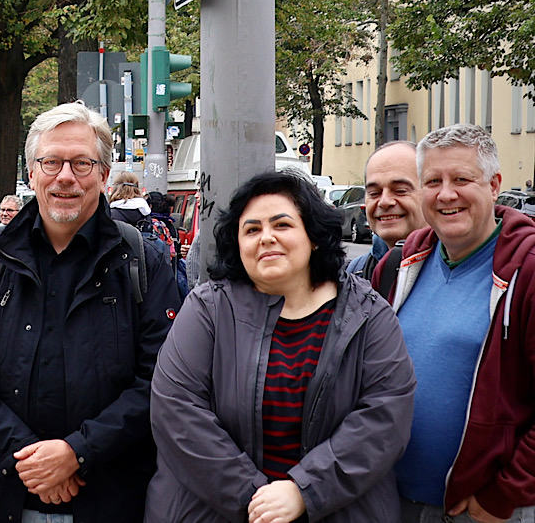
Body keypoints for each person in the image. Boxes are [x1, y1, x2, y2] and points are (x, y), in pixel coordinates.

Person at [0, 102, 182, 522]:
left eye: (82, 163)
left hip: (111, 498)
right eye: (51, 162)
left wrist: (78, 453)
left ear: (105, 175)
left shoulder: (144, 261)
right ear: (32, 173)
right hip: (2, 496)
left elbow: (161, 382)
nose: (65, 177)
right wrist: (29, 460)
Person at [145, 170, 416, 523]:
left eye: (282, 225)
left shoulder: (366, 313)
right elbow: (177, 411)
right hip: (214, 511)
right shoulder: (208, 309)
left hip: (338, 510)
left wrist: (305, 491)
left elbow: (385, 416)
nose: (266, 238)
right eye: (252, 229)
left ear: (313, 237)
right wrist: (257, 503)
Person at [373, 124, 535, 523]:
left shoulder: (528, 271)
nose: (446, 194)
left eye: (462, 179)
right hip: (390, 501)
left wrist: (504, 494)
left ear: (494, 184)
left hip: (484, 511)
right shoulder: (398, 266)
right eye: (433, 181)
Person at [346, 141, 427, 283]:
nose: (384, 202)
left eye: (400, 191)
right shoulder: (356, 272)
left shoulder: (459, 273)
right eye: (374, 193)